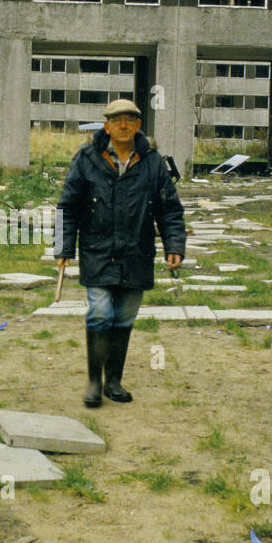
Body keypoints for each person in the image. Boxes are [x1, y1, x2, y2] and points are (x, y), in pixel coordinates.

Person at [54, 98, 186, 408]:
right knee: (100, 312)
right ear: (107, 125)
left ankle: (113, 380)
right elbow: (67, 206)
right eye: (116, 120)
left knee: (124, 316)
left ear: (138, 125)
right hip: (97, 250)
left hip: (136, 253)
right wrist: (63, 246)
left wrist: (174, 246)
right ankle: (93, 382)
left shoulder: (152, 162)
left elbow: (170, 211)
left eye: (129, 119)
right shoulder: (87, 158)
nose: (123, 125)